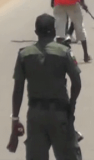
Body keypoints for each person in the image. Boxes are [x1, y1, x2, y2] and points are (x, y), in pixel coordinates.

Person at [8, 14, 82, 159]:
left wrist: (15, 119)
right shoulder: (64, 52)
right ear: (54, 31)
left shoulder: (24, 55)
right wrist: (71, 106)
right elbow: (77, 83)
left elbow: (18, 89)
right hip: (60, 114)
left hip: (35, 115)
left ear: (36, 32)